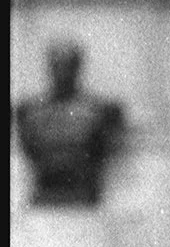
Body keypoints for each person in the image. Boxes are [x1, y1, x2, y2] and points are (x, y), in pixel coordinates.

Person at [12, 37, 127, 209]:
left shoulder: (101, 111)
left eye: (68, 65)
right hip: (43, 199)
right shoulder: (28, 112)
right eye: (58, 65)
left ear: (78, 67)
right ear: (50, 67)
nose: (63, 72)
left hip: (86, 199)